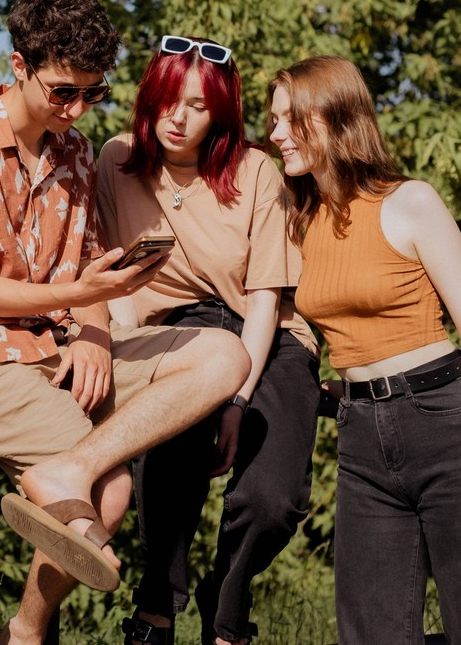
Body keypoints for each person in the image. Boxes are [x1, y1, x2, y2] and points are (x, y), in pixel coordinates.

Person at [0, 0, 249, 645]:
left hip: (64, 346)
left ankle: (68, 475)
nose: (77, 108)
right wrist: (81, 300)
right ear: (16, 66)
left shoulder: (77, 148)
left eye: (92, 94)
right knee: (111, 493)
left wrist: (93, 328)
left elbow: (90, 262)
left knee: (225, 355)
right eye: (64, 91)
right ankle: (25, 634)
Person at [267, 55, 461, 644]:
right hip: (361, 433)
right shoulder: (300, 223)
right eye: (273, 119)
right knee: (370, 633)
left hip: (450, 424)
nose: (276, 133)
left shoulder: (409, 202)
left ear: (335, 117)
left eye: (290, 118)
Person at [96, 36, 321, 645]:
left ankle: (227, 604)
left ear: (220, 111)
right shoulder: (115, 160)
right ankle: (156, 613)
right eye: (169, 99)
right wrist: (127, 354)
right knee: (168, 463)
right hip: (169, 331)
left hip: (264, 334)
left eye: (197, 105)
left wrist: (236, 400)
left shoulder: (254, 171)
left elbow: (264, 298)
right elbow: (112, 277)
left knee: (273, 500)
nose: (178, 117)